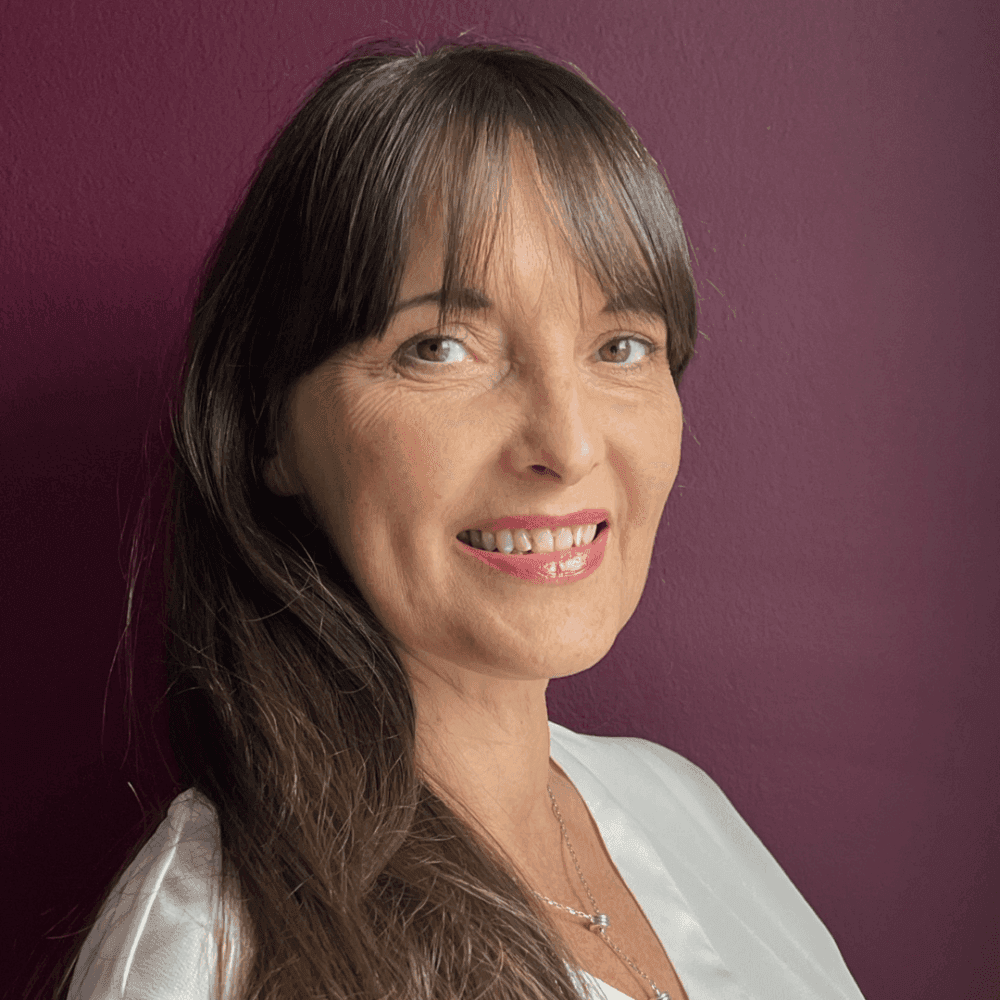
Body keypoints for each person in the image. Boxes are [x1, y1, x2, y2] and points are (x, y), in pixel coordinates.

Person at [55, 40, 866, 1000]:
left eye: (620, 344)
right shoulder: (214, 956)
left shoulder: (681, 806)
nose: (566, 446)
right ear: (269, 425)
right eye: (441, 346)